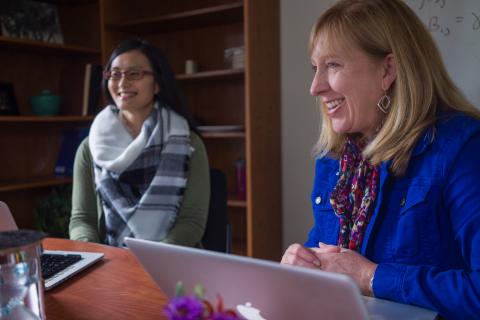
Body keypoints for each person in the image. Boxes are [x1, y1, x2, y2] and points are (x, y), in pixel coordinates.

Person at [280, 1, 480, 319]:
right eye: (314, 68)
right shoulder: (334, 161)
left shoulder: (463, 149)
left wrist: (371, 277)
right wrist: (302, 265)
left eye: (332, 65)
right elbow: (328, 253)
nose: (315, 87)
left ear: (388, 70)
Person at [69, 39, 210, 248]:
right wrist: (93, 251)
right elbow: (82, 220)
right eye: (115, 74)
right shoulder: (89, 148)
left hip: (173, 263)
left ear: (158, 84)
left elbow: (192, 221)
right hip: (110, 265)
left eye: (134, 74)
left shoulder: (189, 144)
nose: (122, 83)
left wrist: (153, 257)